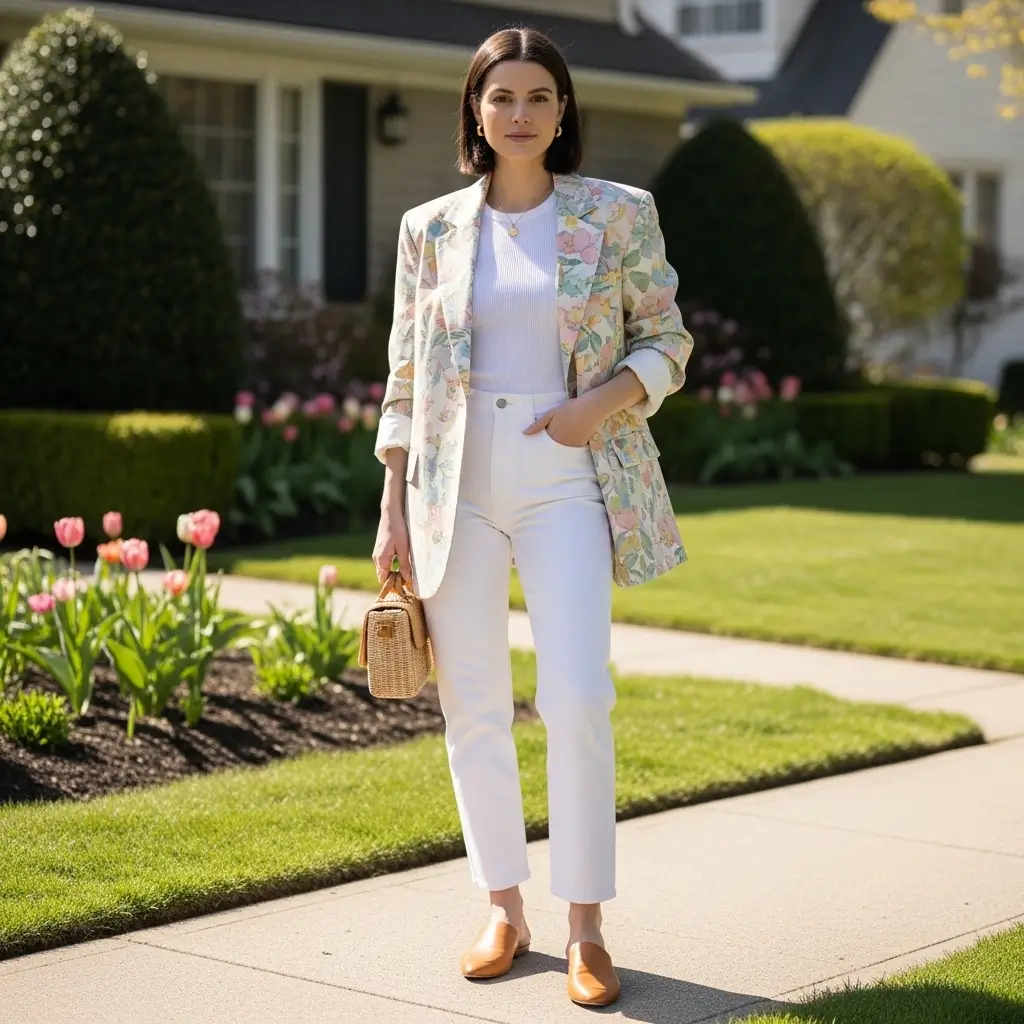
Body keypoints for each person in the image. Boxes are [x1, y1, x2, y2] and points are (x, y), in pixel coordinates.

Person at [372, 25, 693, 1009]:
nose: (519, 113)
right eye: (500, 96)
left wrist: (597, 406)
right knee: (469, 702)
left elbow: (667, 340)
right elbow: (403, 379)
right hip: (451, 489)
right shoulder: (427, 228)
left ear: (563, 112)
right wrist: (390, 507)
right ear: (474, 109)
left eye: (538, 97)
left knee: (576, 696)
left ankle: (586, 925)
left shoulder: (618, 213)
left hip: (567, 476)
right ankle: (503, 907)